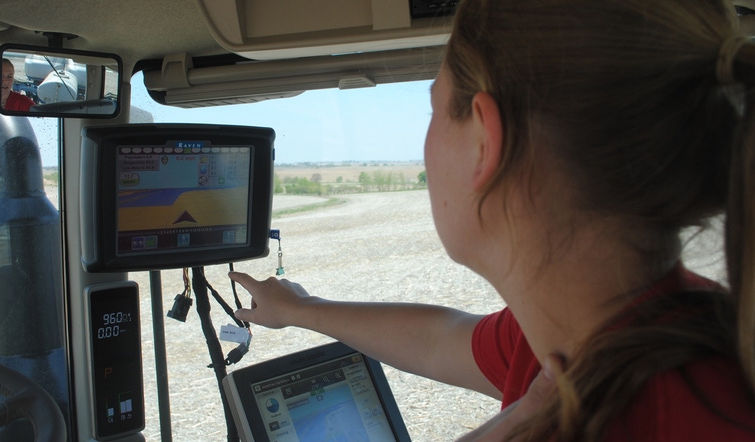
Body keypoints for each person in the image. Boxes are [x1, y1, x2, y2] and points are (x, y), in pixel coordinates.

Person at [230, 0, 755, 440]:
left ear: (485, 141)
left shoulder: (644, 408)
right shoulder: (607, 330)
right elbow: (440, 339)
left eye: (433, 110)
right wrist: (301, 308)